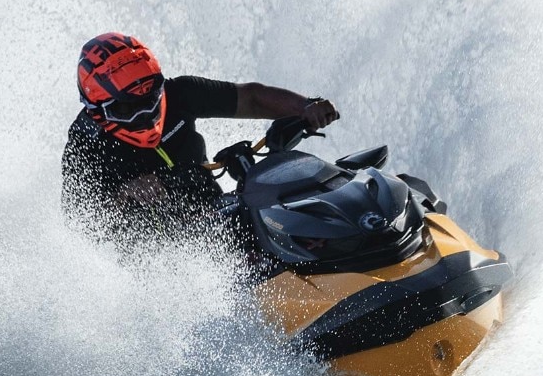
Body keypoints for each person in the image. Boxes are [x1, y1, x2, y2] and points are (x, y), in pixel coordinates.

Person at [62, 32, 339, 241]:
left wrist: (305, 108)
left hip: (216, 218)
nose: (145, 114)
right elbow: (76, 222)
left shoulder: (180, 93)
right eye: (127, 108)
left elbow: (251, 98)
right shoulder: (85, 143)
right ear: (98, 111)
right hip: (151, 261)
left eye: (150, 98)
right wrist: (124, 195)